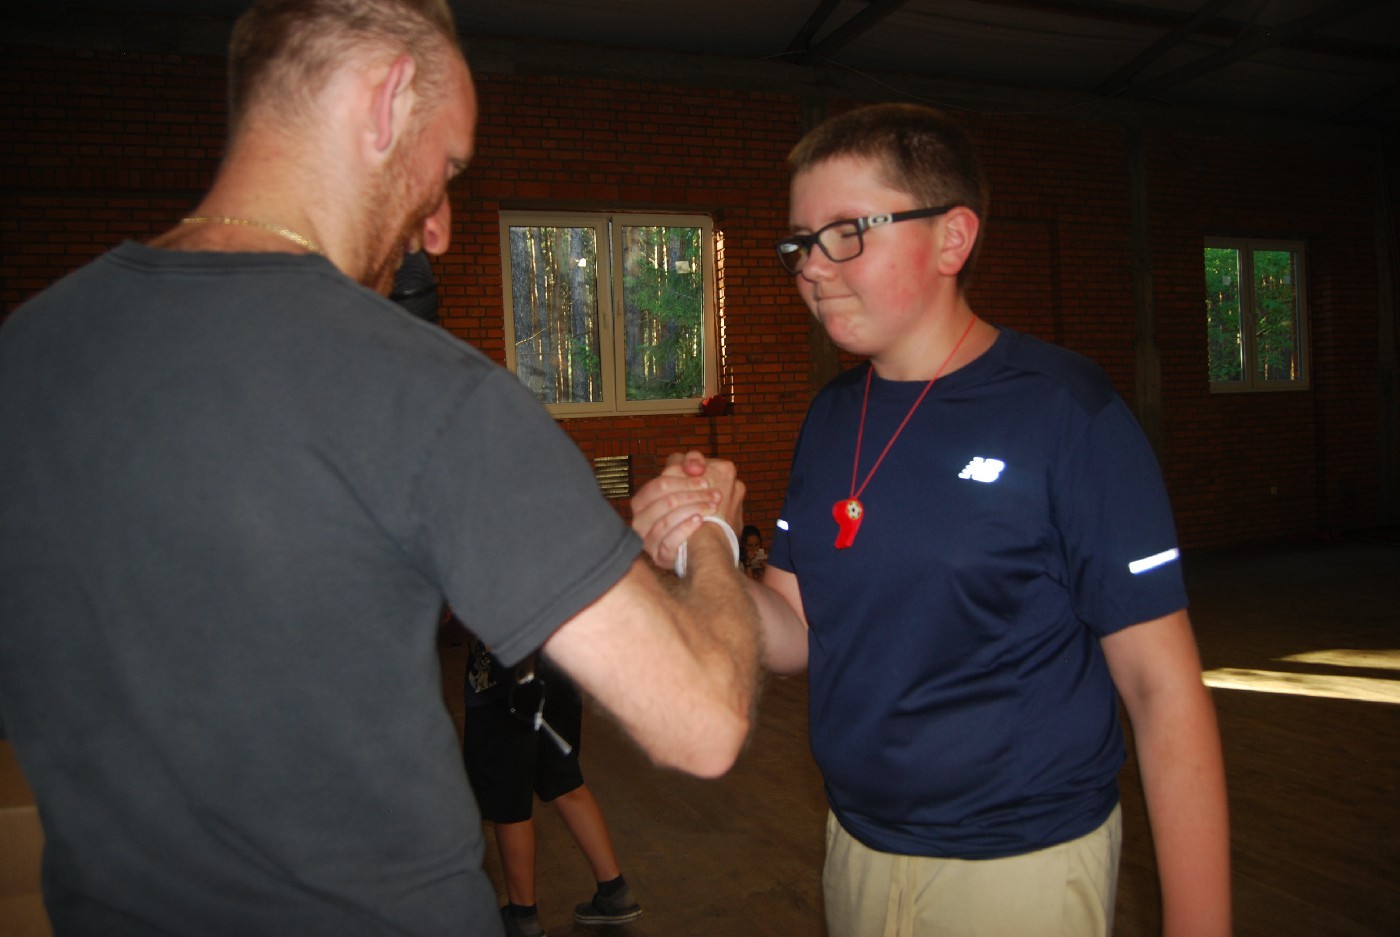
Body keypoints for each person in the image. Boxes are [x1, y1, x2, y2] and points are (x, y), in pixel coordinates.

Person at [0, 2, 758, 935]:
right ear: (388, 96)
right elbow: (702, 722)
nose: (438, 229)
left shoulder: (27, 351)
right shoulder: (434, 393)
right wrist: (711, 535)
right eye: (448, 170)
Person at [631, 103, 1231, 937]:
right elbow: (799, 630)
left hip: (1020, 864)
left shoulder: (1067, 412)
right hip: (858, 847)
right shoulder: (834, 416)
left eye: (847, 233)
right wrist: (710, 550)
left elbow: (1161, 690)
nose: (813, 267)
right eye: (800, 242)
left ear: (953, 239)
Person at [462, 636, 641, 937]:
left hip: (504, 679)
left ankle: (522, 917)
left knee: (510, 801)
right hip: (559, 664)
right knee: (563, 778)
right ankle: (614, 890)